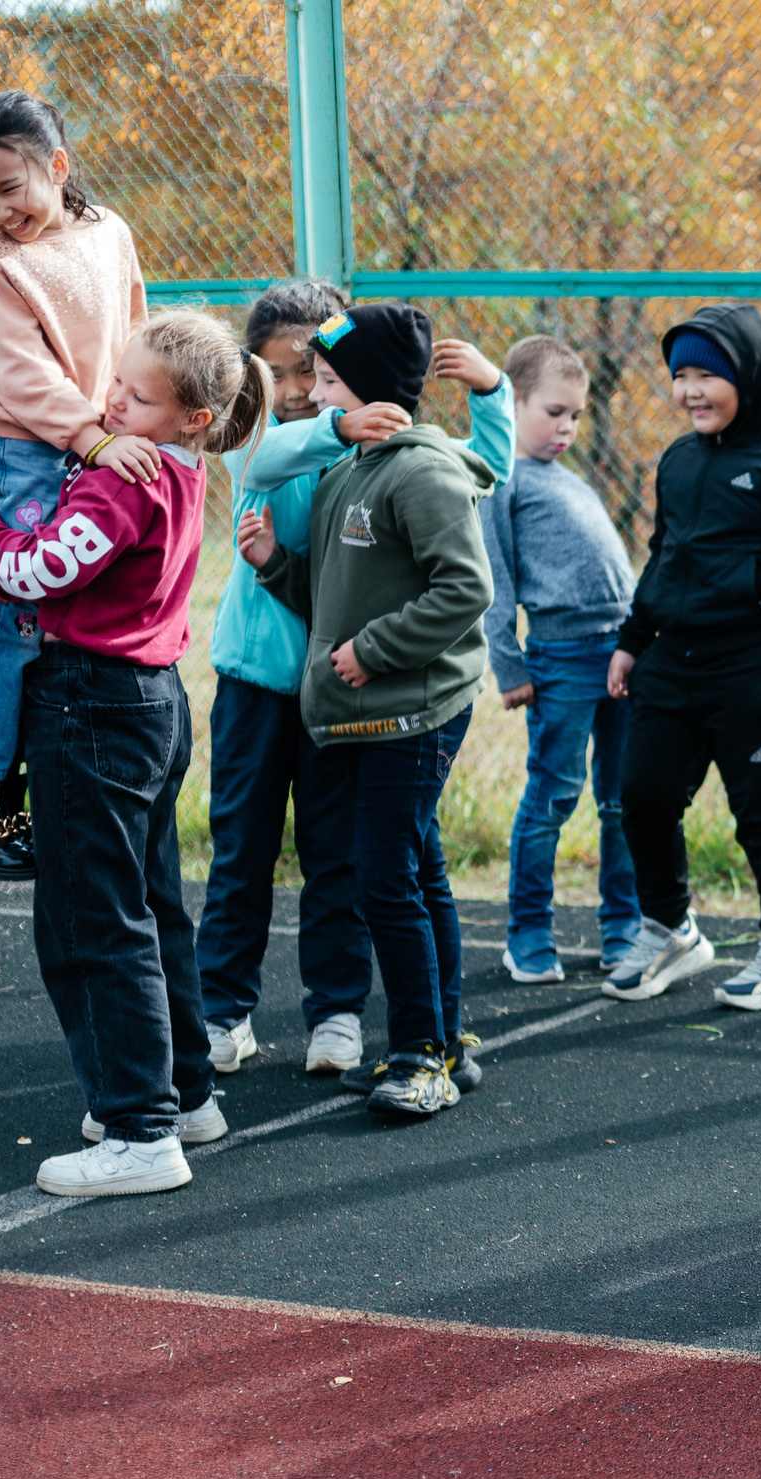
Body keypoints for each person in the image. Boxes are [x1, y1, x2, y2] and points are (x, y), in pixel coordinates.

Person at [0, 311, 268, 1195]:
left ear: (193, 418)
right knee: (152, 905)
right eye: (115, 384)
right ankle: (186, 1095)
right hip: (151, 700)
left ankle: (138, 1129)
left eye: (137, 397)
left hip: (92, 702)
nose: (113, 404)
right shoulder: (181, 466)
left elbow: (46, 569)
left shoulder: (126, 480)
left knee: (92, 919)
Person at [192, 282, 515, 1079]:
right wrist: (337, 425)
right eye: (279, 372)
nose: (299, 388)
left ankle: (339, 1010)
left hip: (345, 693)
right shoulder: (274, 436)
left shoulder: (373, 454)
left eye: (315, 371)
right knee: (242, 852)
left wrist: (493, 391)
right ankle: (222, 1009)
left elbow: (476, 469)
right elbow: (259, 460)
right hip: (258, 682)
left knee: (341, 856)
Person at [0, 90, 147, 883]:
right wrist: (95, 437)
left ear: (57, 166)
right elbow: (20, 376)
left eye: (8, 188)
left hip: (95, 443)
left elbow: (134, 331)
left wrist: (137, 417)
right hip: (24, 453)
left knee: (69, 615)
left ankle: (32, 785)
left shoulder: (109, 231)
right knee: (21, 612)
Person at [604, 304, 761, 1009]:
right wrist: (631, 642)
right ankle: (670, 929)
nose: (691, 390)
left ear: (749, 375)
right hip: (670, 661)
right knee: (642, 797)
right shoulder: (677, 460)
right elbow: (663, 557)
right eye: (681, 376)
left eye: (708, 375)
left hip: (753, 664)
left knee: (760, 811)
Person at [485, 335, 639, 983]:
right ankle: (528, 935)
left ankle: (626, 929)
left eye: (576, 415)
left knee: (623, 800)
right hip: (561, 660)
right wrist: (510, 665)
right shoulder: (501, 480)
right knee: (552, 797)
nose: (568, 427)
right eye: (554, 412)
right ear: (514, 403)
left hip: (622, 654)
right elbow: (494, 581)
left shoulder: (571, 480)